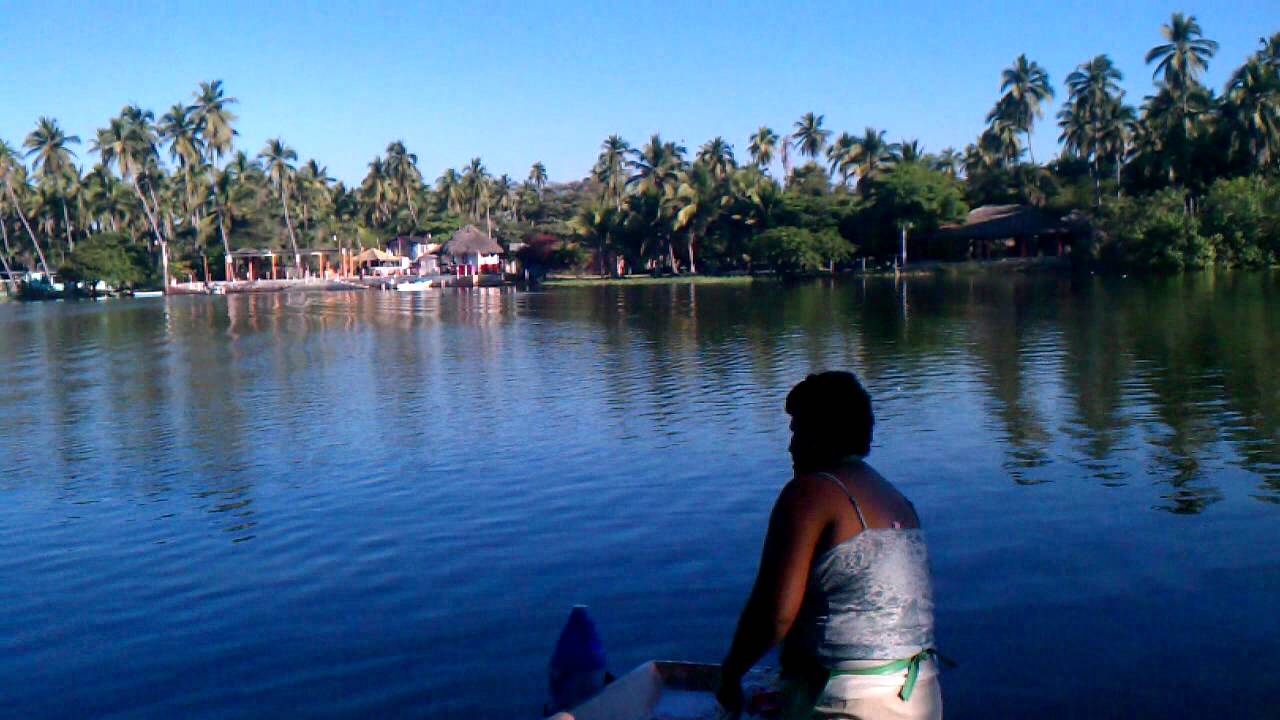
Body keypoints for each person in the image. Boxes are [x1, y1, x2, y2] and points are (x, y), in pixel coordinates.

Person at [717, 371, 943, 719]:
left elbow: (774, 613)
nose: (791, 446)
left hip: (849, 701)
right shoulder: (895, 498)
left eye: (797, 430)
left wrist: (730, 674)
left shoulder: (809, 494)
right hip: (917, 694)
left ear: (823, 432)